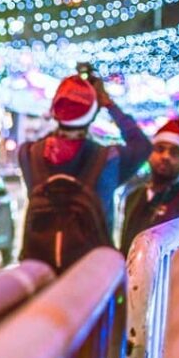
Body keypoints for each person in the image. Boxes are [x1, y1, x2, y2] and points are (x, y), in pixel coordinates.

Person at [18, 72, 151, 272]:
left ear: (55, 110)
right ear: (92, 114)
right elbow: (142, 146)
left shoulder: (28, 154)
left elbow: (51, 134)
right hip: (91, 276)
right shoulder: (108, 159)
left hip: (40, 275)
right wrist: (108, 103)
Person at [119, 119, 179, 254]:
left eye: (174, 152)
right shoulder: (134, 195)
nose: (165, 156)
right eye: (160, 149)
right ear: (150, 154)